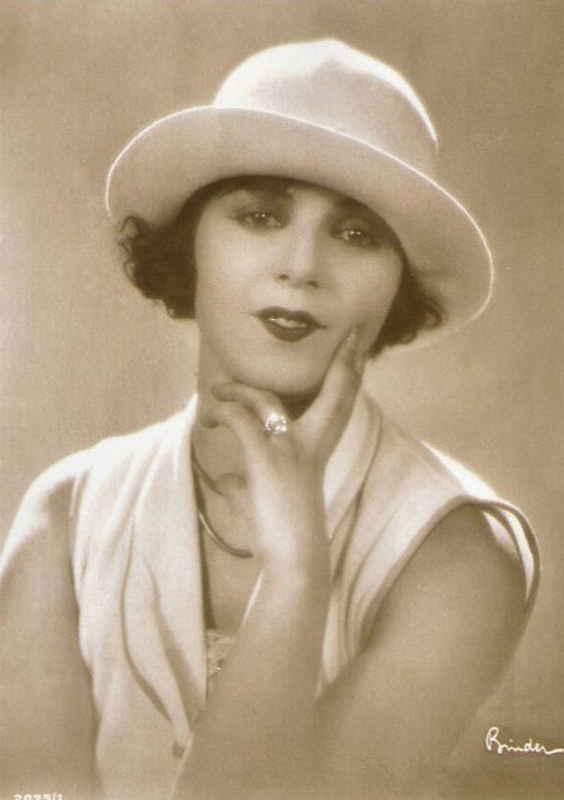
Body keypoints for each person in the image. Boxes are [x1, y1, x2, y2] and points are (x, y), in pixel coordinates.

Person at [0, 39, 539, 800]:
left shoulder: (461, 553)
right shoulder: (67, 516)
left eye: (356, 234)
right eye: (259, 216)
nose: (302, 267)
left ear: (399, 286)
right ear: (191, 244)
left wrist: (296, 574)